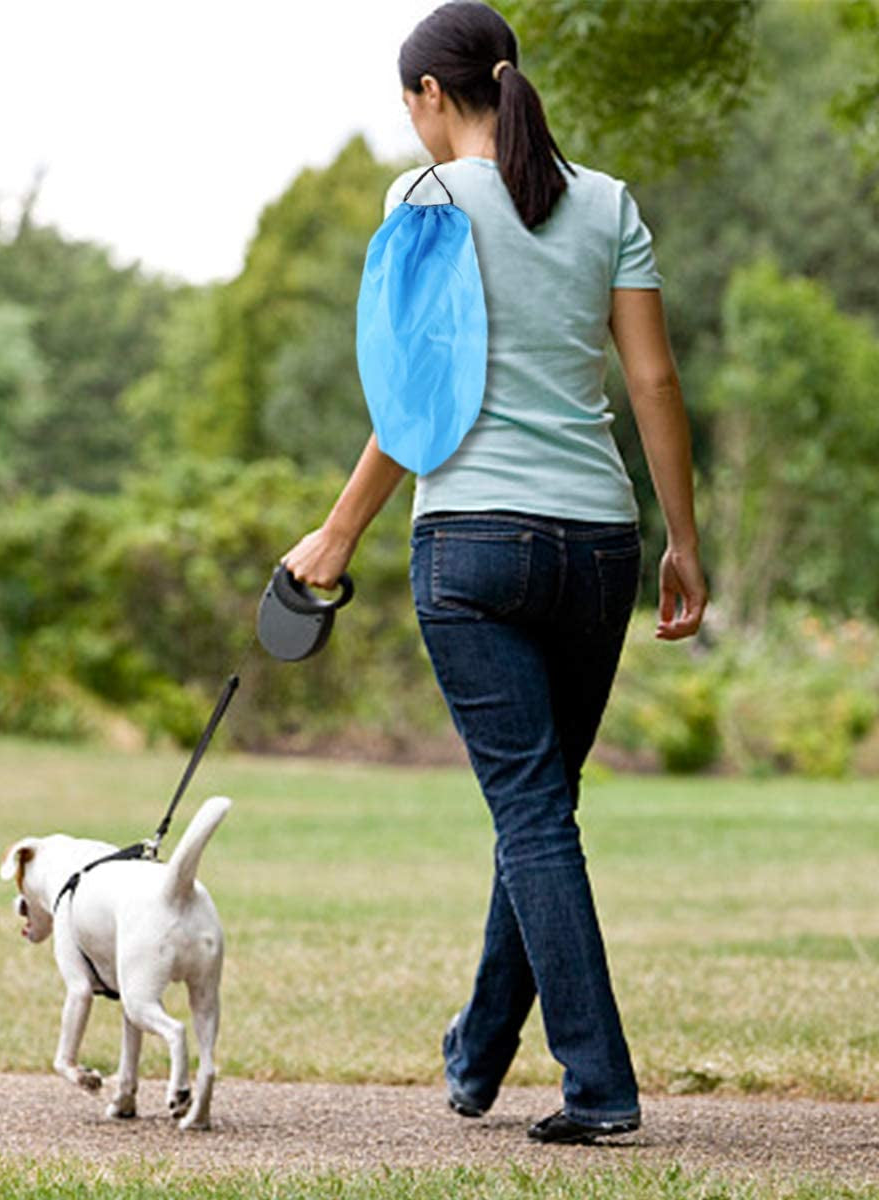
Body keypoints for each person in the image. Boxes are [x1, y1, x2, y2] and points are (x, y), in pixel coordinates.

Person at [282, 0, 708, 1146]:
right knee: (541, 812)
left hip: (471, 542)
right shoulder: (609, 202)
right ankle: (477, 1052)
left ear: (431, 96)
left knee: (530, 816)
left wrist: (334, 536)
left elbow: (411, 399)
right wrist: (684, 540)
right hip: (596, 543)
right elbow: (656, 386)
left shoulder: (422, 201)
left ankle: (600, 1085)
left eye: (408, 106)